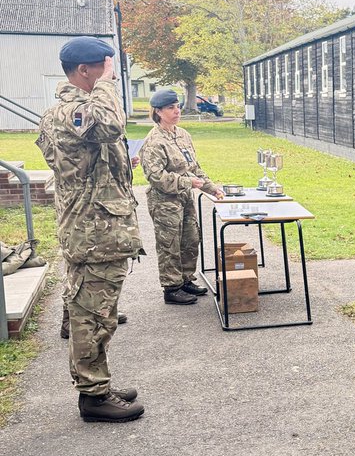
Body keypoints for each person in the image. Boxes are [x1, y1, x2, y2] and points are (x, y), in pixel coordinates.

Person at [36, 36, 144, 423]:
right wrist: (106, 84)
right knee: (91, 315)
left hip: (98, 230)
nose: (112, 75)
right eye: (107, 67)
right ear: (85, 71)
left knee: (99, 313)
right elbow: (111, 123)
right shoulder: (71, 112)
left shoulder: (75, 112)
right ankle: (93, 397)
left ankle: (98, 383)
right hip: (93, 233)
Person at [139, 89, 224, 305]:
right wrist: (187, 182)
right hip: (165, 201)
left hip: (185, 198)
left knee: (190, 239)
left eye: (177, 106)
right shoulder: (153, 141)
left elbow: (194, 167)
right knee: (170, 244)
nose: (177, 111)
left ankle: (186, 279)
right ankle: (171, 287)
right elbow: (155, 176)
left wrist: (212, 188)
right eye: (171, 108)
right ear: (158, 112)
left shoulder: (183, 134)